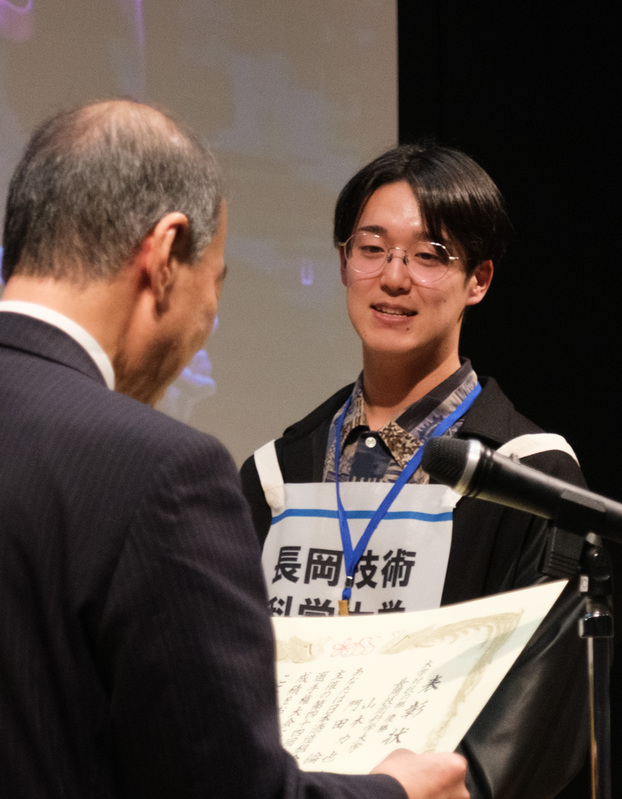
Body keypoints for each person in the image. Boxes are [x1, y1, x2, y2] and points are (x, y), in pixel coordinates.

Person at [0, 99, 467, 799]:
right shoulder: (159, 471)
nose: (207, 325)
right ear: (163, 255)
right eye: (213, 284)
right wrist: (393, 791)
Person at [239, 144, 589, 799]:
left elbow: (546, 693)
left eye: (430, 255)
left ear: (478, 279)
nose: (394, 277)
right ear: (344, 261)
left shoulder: (530, 476)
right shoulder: (280, 474)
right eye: (372, 248)